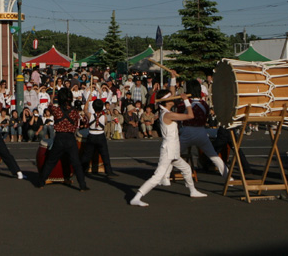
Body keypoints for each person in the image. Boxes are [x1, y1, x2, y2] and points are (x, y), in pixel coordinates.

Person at [131, 71, 206, 207]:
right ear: (166, 102)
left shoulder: (165, 110)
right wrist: (186, 101)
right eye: (171, 99)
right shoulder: (168, 115)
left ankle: (193, 190)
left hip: (174, 149)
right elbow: (190, 116)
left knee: (187, 169)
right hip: (168, 149)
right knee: (158, 176)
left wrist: (173, 78)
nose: (174, 99)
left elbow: (171, 93)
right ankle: (137, 196)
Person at [36, 88, 89, 191]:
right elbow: (76, 121)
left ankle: (41, 182)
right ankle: (82, 185)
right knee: (76, 163)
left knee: (50, 161)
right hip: (70, 138)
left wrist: (51, 101)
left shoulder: (56, 110)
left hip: (59, 138)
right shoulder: (74, 112)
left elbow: (50, 107)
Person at [80, 99, 118, 177]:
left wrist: (88, 100)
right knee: (105, 155)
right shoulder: (104, 117)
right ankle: (109, 172)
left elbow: (85, 109)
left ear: (93, 107)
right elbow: (106, 123)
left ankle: (81, 170)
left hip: (91, 136)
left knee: (87, 155)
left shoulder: (90, 115)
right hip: (100, 136)